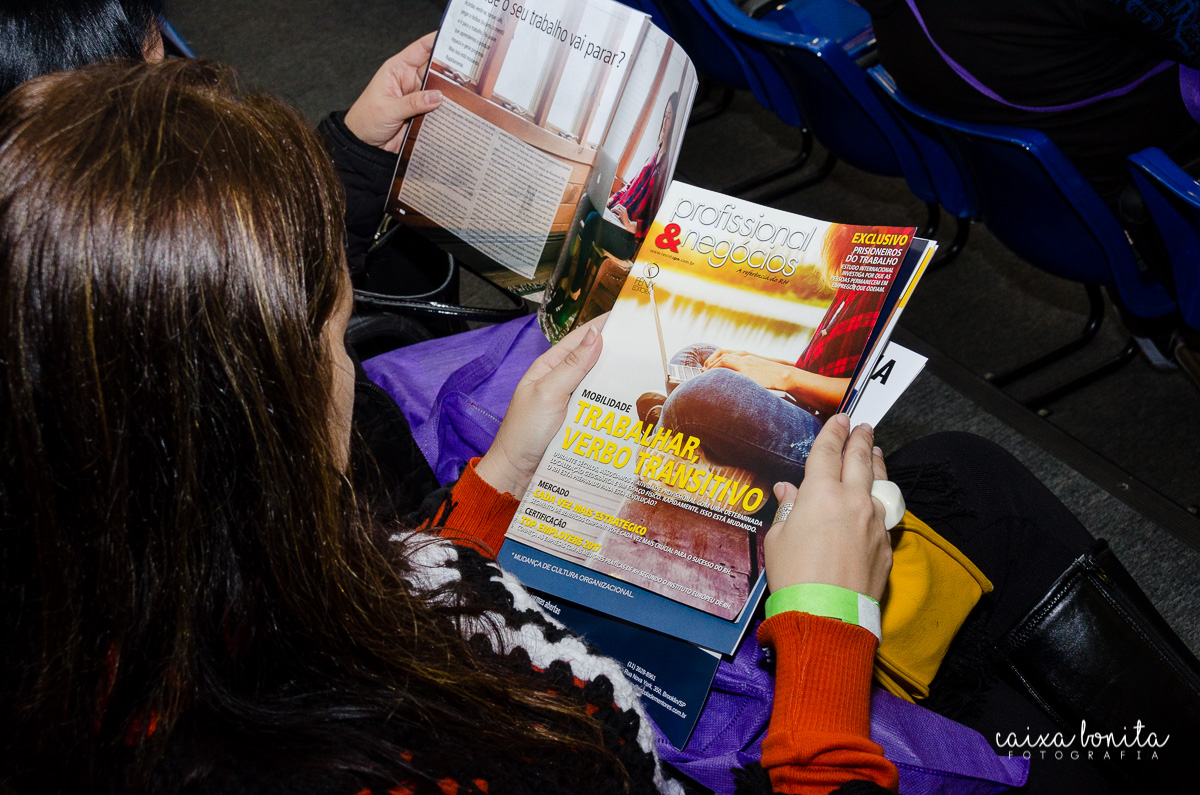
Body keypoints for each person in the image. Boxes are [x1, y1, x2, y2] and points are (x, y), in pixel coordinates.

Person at [3, 58, 1197, 795]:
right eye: (329, 333)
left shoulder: (143, 628)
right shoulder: (407, 753)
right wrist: (827, 626)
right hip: (780, 735)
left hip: (535, 603)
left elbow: (407, 604)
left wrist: (495, 491)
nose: (348, 355)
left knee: (970, 489)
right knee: (1067, 733)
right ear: (240, 414)